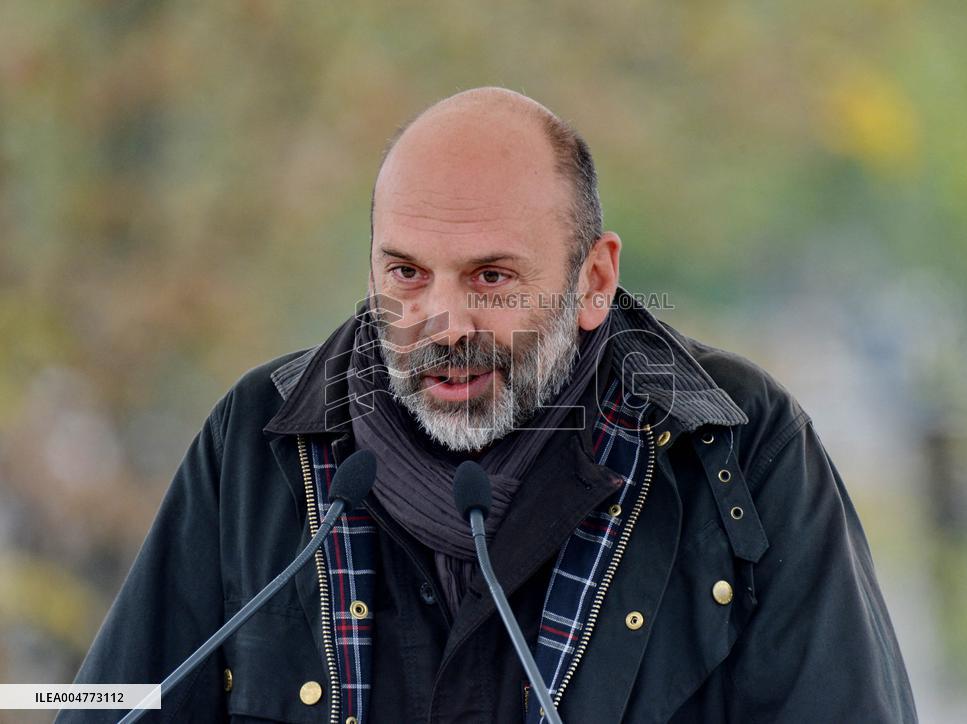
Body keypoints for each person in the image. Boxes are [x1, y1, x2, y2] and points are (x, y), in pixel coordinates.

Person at [60, 86, 917, 723]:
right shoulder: (259, 441)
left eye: (492, 278)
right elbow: (114, 696)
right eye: (405, 272)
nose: (444, 320)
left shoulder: (738, 448)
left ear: (595, 281)